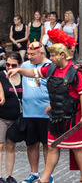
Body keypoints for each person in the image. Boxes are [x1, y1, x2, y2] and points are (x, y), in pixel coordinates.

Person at [7, 29, 82, 183]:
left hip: (73, 117)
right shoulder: (52, 68)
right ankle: (44, 179)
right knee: (52, 147)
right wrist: (18, 70)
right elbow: (35, 72)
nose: (49, 58)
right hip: (56, 117)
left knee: (77, 148)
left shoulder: (77, 72)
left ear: (61, 55)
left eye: (52, 55)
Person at [20, 42, 53, 183]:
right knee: (31, 144)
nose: (29, 57)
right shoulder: (25, 65)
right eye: (28, 54)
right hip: (29, 112)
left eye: (33, 54)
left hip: (45, 112)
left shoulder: (50, 66)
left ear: (42, 53)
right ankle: (34, 173)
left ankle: (48, 175)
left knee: (47, 144)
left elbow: (56, 87)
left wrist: (52, 103)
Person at [0, 53, 23, 183]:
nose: (10, 67)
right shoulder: (2, 75)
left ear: (19, 65)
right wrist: (1, 94)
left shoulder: (23, 76)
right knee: (0, 146)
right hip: (1, 116)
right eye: (7, 64)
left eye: (13, 65)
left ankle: (9, 175)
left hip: (16, 118)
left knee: (11, 147)